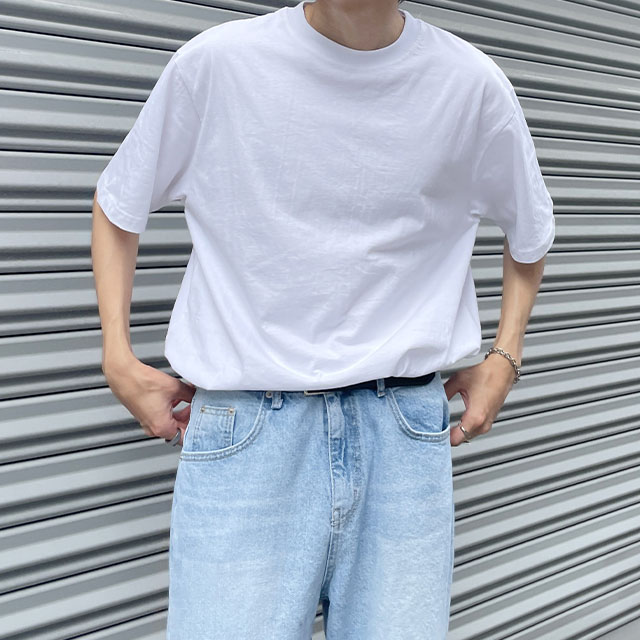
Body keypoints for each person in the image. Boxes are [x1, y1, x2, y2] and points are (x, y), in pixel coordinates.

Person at [91, 0, 555, 638]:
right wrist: (117, 356)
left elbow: (530, 231)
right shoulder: (218, 65)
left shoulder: (470, 85)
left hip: (401, 435)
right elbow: (119, 203)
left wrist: (505, 356)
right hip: (248, 434)